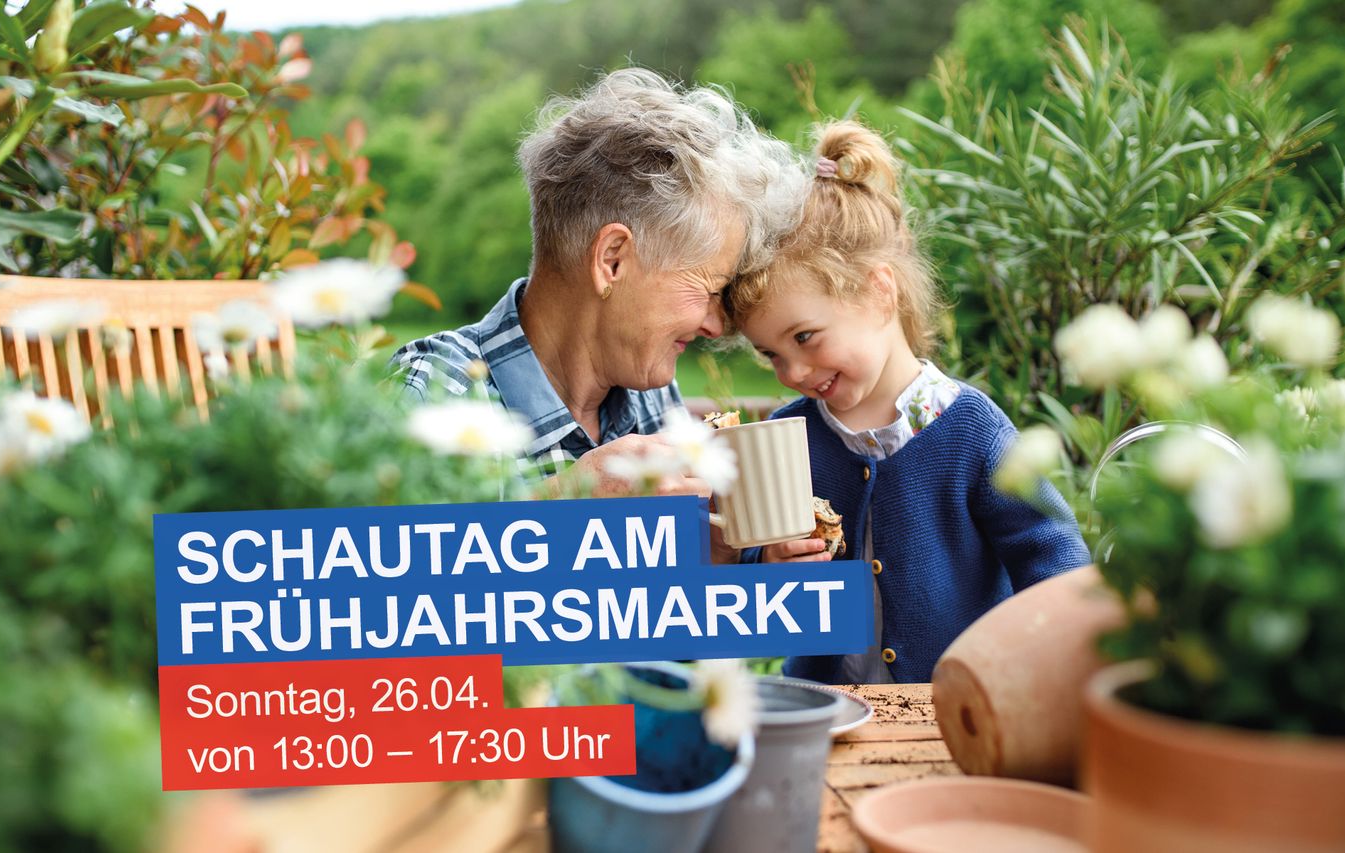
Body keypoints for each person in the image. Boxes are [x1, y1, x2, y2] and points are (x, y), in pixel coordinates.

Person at [723, 118, 1090, 683]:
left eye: (804, 337)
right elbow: (749, 574)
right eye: (771, 354)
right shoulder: (788, 436)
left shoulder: (971, 431)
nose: (792, 371)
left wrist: (1047, 664)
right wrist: (768, 561)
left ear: (879, 291)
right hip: (825, 708)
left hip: (950, 714)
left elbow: (1051, 554)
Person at [392, 68, 807, 507]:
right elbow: (355, 564)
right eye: (708, 289)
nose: (714, 324)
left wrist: (718, 553)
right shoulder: (433, 393)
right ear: (612, 260)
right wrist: (565, 501)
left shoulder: (647, 390)